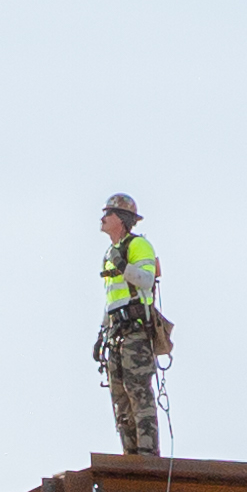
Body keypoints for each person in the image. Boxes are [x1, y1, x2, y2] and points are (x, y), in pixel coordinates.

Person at [91, 191, 169, 455]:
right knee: (119, 397)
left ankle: (147, 455)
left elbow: (146, 280)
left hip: (135, 330)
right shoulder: (110, 253)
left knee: (138, 391)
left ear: (122, 219)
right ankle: (131, 456)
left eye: (108, 213)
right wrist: (101, 333)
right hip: (116, 332)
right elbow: (112, 298)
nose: (103, 218)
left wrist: (123, 265)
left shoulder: (138, 246)